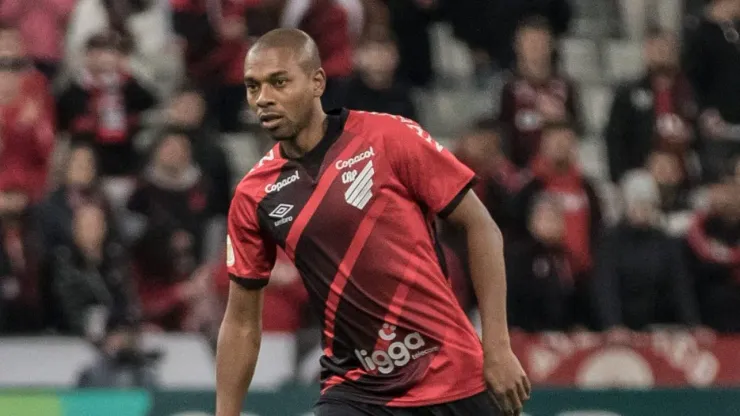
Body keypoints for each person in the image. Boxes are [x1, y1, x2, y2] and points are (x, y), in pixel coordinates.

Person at [216, 29, 529, 416]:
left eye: (279, 82)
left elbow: (482, 227)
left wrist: (497, 347)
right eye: (253, 86)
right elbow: (242, 322)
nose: (263, 98)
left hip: (454, 375)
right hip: (356, 390)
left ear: (317, 82)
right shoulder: (254, 195)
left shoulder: (389, 137)